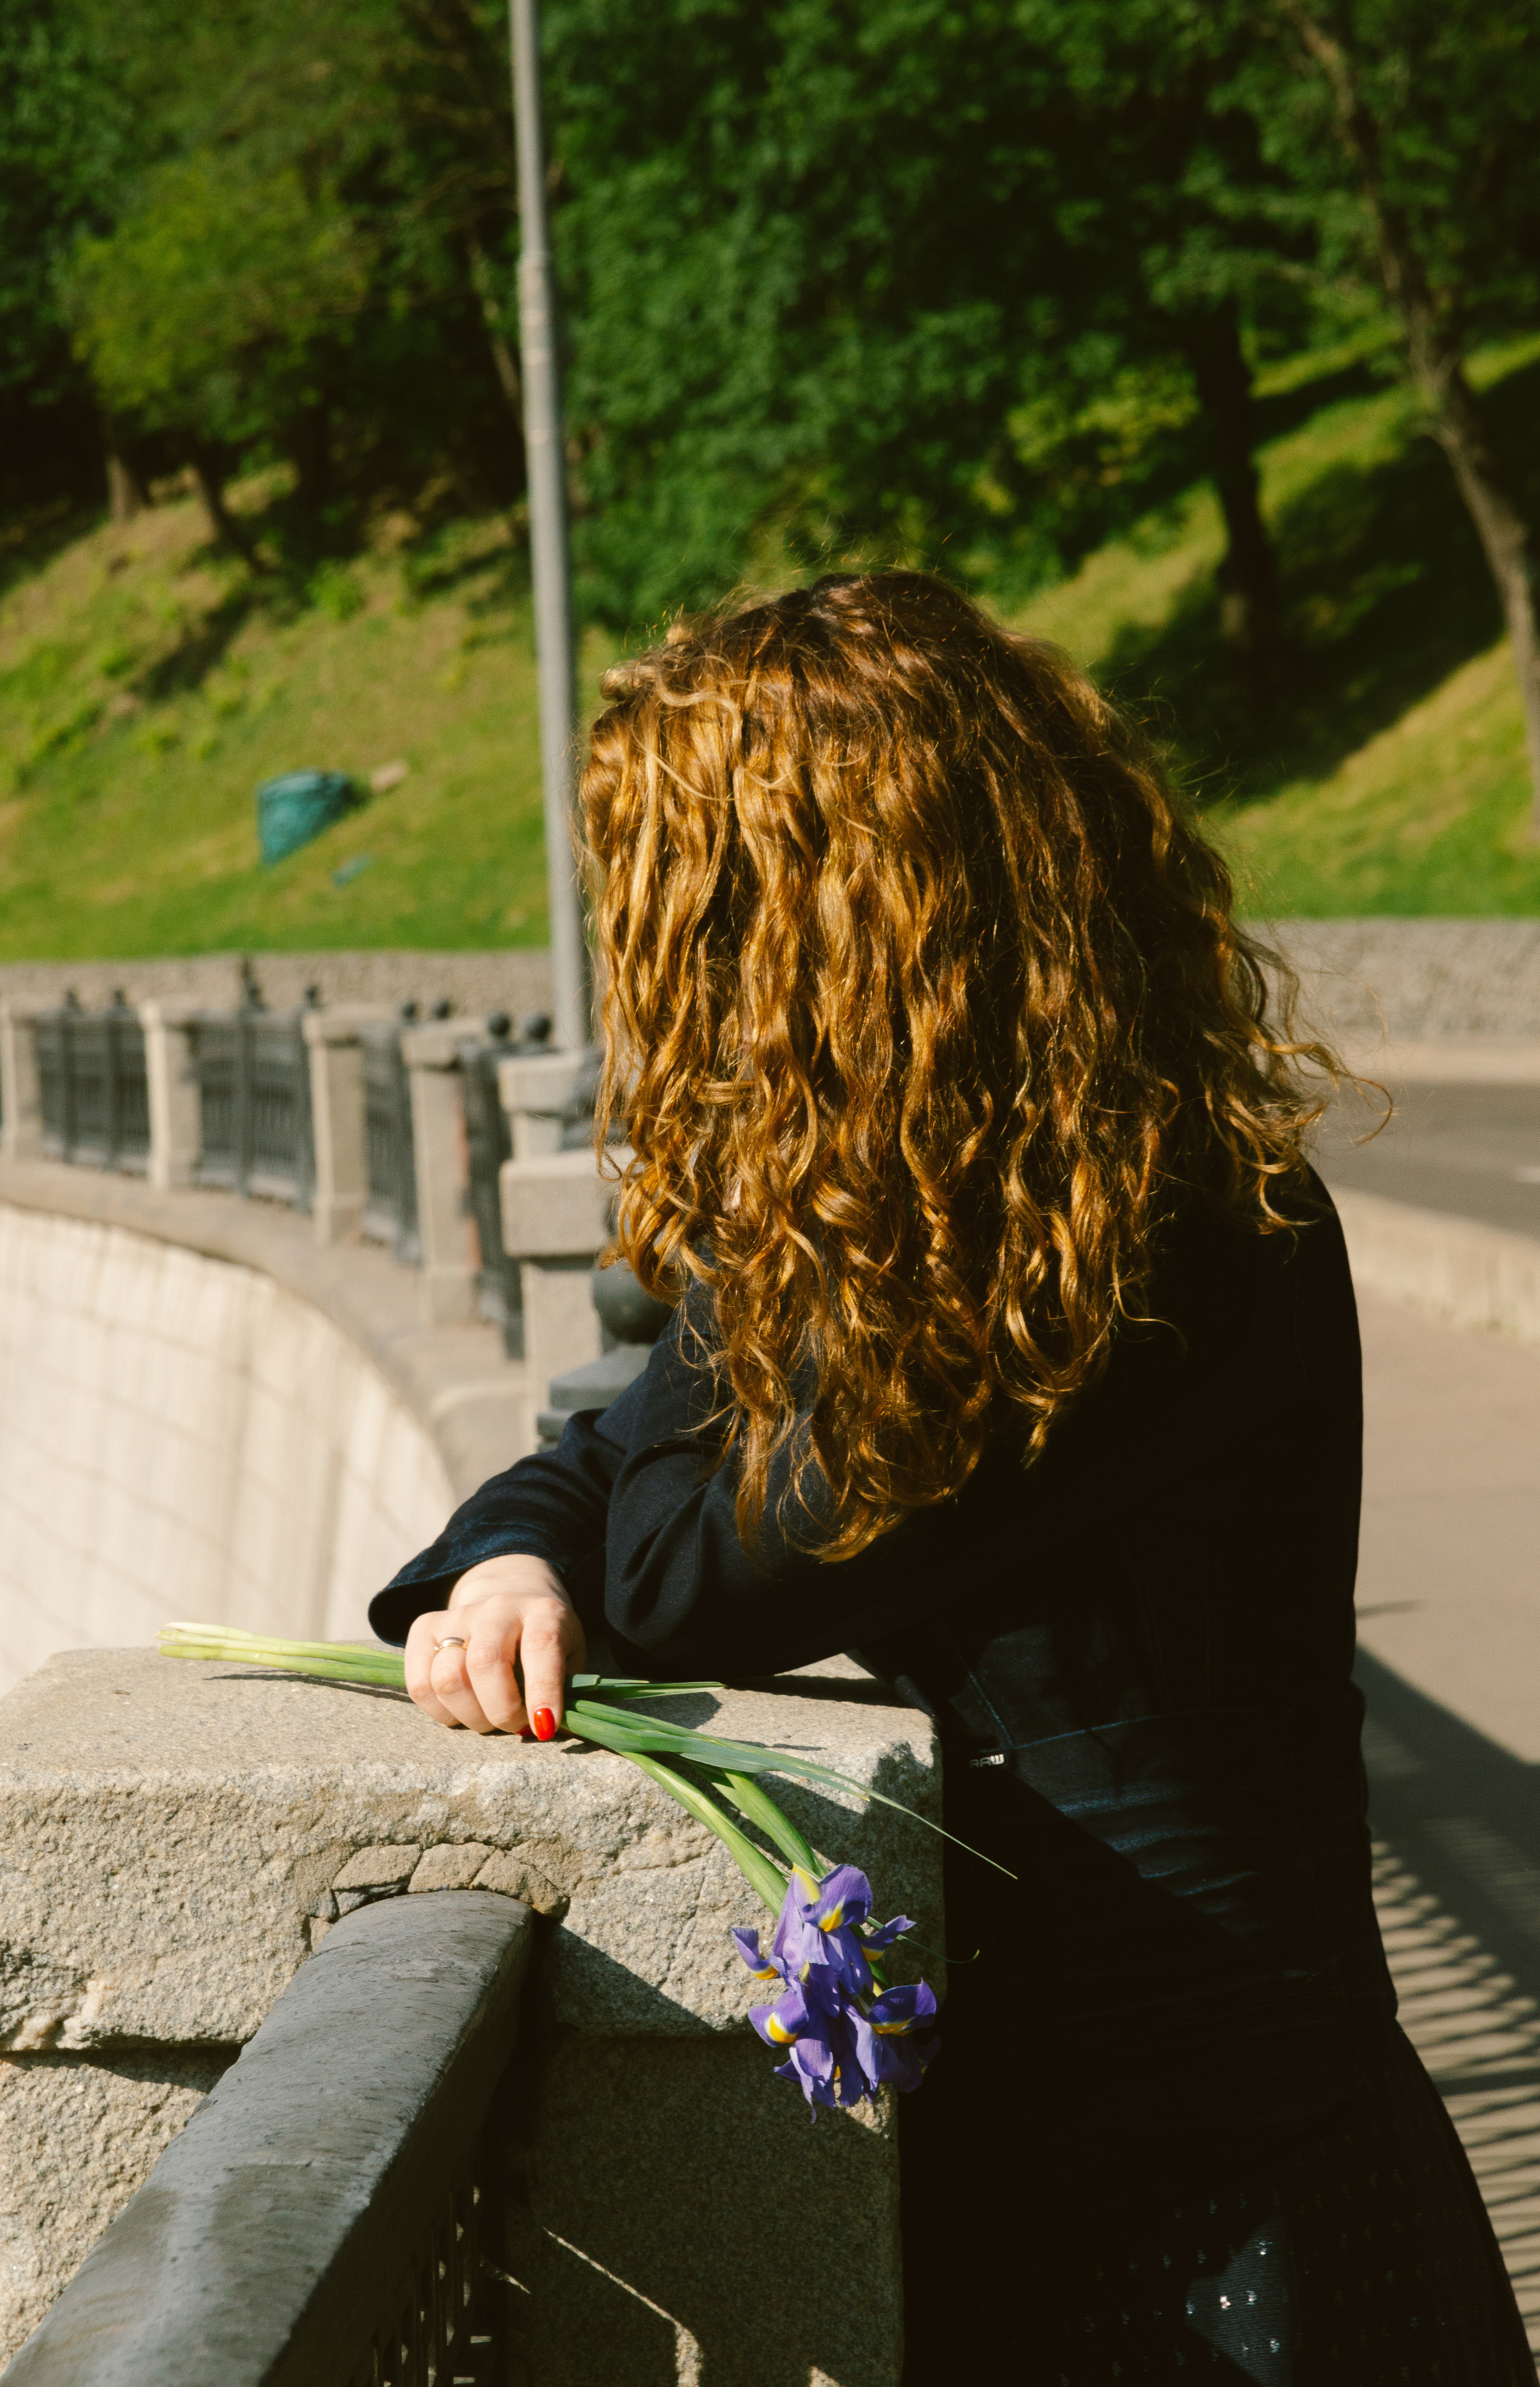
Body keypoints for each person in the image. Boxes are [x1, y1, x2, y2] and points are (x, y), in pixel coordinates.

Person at [369, 572, 1531, 2381]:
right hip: (1190, 2166)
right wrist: (516, 1558)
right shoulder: (1084, 1196)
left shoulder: (1104, 1259)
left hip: (1212, 2228)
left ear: (834, 926)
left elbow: (686, 1558)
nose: (689, 998)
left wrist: (585, 1523)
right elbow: (614, 1453)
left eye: (706, 925)